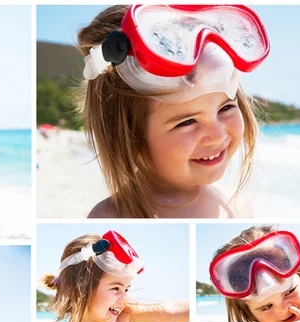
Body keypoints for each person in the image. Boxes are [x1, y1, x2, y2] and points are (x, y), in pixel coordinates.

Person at [77, 5, 269, 218]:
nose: (217, 135)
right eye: (187, 122)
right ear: (130, 135)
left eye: (225, 108)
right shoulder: (110, 216)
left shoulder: (237, 208)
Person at [42, 230, 189, 322]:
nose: (124, 298)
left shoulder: (125, 317)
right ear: (79, 288)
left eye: (126, 289)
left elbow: (173, 310)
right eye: (115, 288)